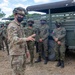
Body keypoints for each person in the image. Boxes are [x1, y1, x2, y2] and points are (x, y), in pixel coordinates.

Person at [7, 7, 35, 75]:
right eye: (20, 15)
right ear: (15, 14)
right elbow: (14, 40)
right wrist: (27, 39)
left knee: (22, 71)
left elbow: (23, 38)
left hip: (22, 53)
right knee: (17, 72)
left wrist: (26, 51)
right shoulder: (12, 26)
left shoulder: (20, 25)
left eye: (23, 15)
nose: (21, 17)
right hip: (16, 54)